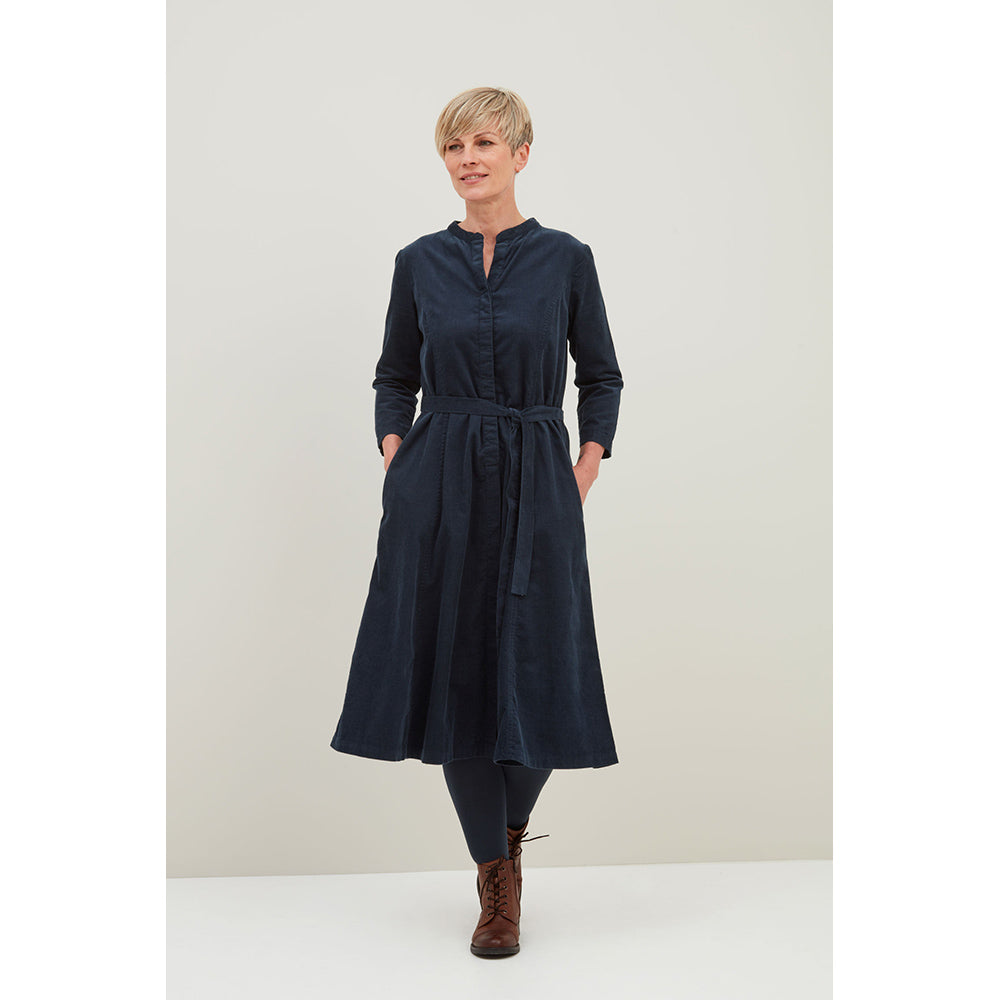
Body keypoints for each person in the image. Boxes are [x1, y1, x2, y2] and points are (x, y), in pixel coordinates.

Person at [330, 86, 624, 958]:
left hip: (540, 477)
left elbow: (601, 375)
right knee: (457, 673)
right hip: (438, 484)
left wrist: (586, 464)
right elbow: (395, 373)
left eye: (485, 143)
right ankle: (497, 884)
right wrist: (397, 453)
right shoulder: (419, 262)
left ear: (521, 153)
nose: (469, 159)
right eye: (454, 146)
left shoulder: (566, 259)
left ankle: (506, 838)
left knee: (542, 667)